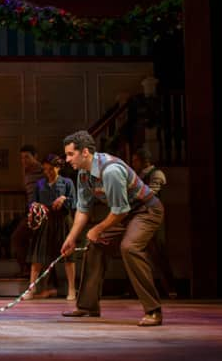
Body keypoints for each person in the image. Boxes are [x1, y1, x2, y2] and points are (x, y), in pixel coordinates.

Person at [60, 130, 164, 327]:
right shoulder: (83, 174)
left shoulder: (111, 171)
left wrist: (98, 228)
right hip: (126, 214)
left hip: (146, 211)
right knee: (94, 244)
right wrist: (71, 237)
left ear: (84, 153)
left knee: (129, 247)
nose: (66, 159)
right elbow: (83, 209)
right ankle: (87, 306)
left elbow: (120, 211)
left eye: (70, 154)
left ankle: (153, 311)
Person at [24, 154, 77, 300]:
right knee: (38, 256)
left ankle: (72, 289)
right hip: (45, 221)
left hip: (63, 221)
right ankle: (31, 288)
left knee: (68, 256)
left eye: (50, 169)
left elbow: (75, 203)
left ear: (58, 168)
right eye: (45, 169)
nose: (48, 172)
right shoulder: (40, 184)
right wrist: (36, 206)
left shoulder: (67, 183)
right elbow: (32, 203)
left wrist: (64, 199)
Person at [131, 147, 176, 299]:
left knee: (158, 252)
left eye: (136, 160)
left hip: (152, 217)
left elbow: (151, 192)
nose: (133, 163)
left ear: (144, 160)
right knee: (137, 253)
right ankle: (138, 289)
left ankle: (170, 288)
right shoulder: (138, 175)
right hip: (139, 217)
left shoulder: (156, 174)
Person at [11, 145, 44, 276]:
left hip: (41, 211)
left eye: (27, 157)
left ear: (35, 156)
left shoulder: (43, 171)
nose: (24, 160)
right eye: (22, 158)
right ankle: (26, 269)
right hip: (30, 211)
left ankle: (29, 271)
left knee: (23, 238)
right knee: (18, 238)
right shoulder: (26, 172)